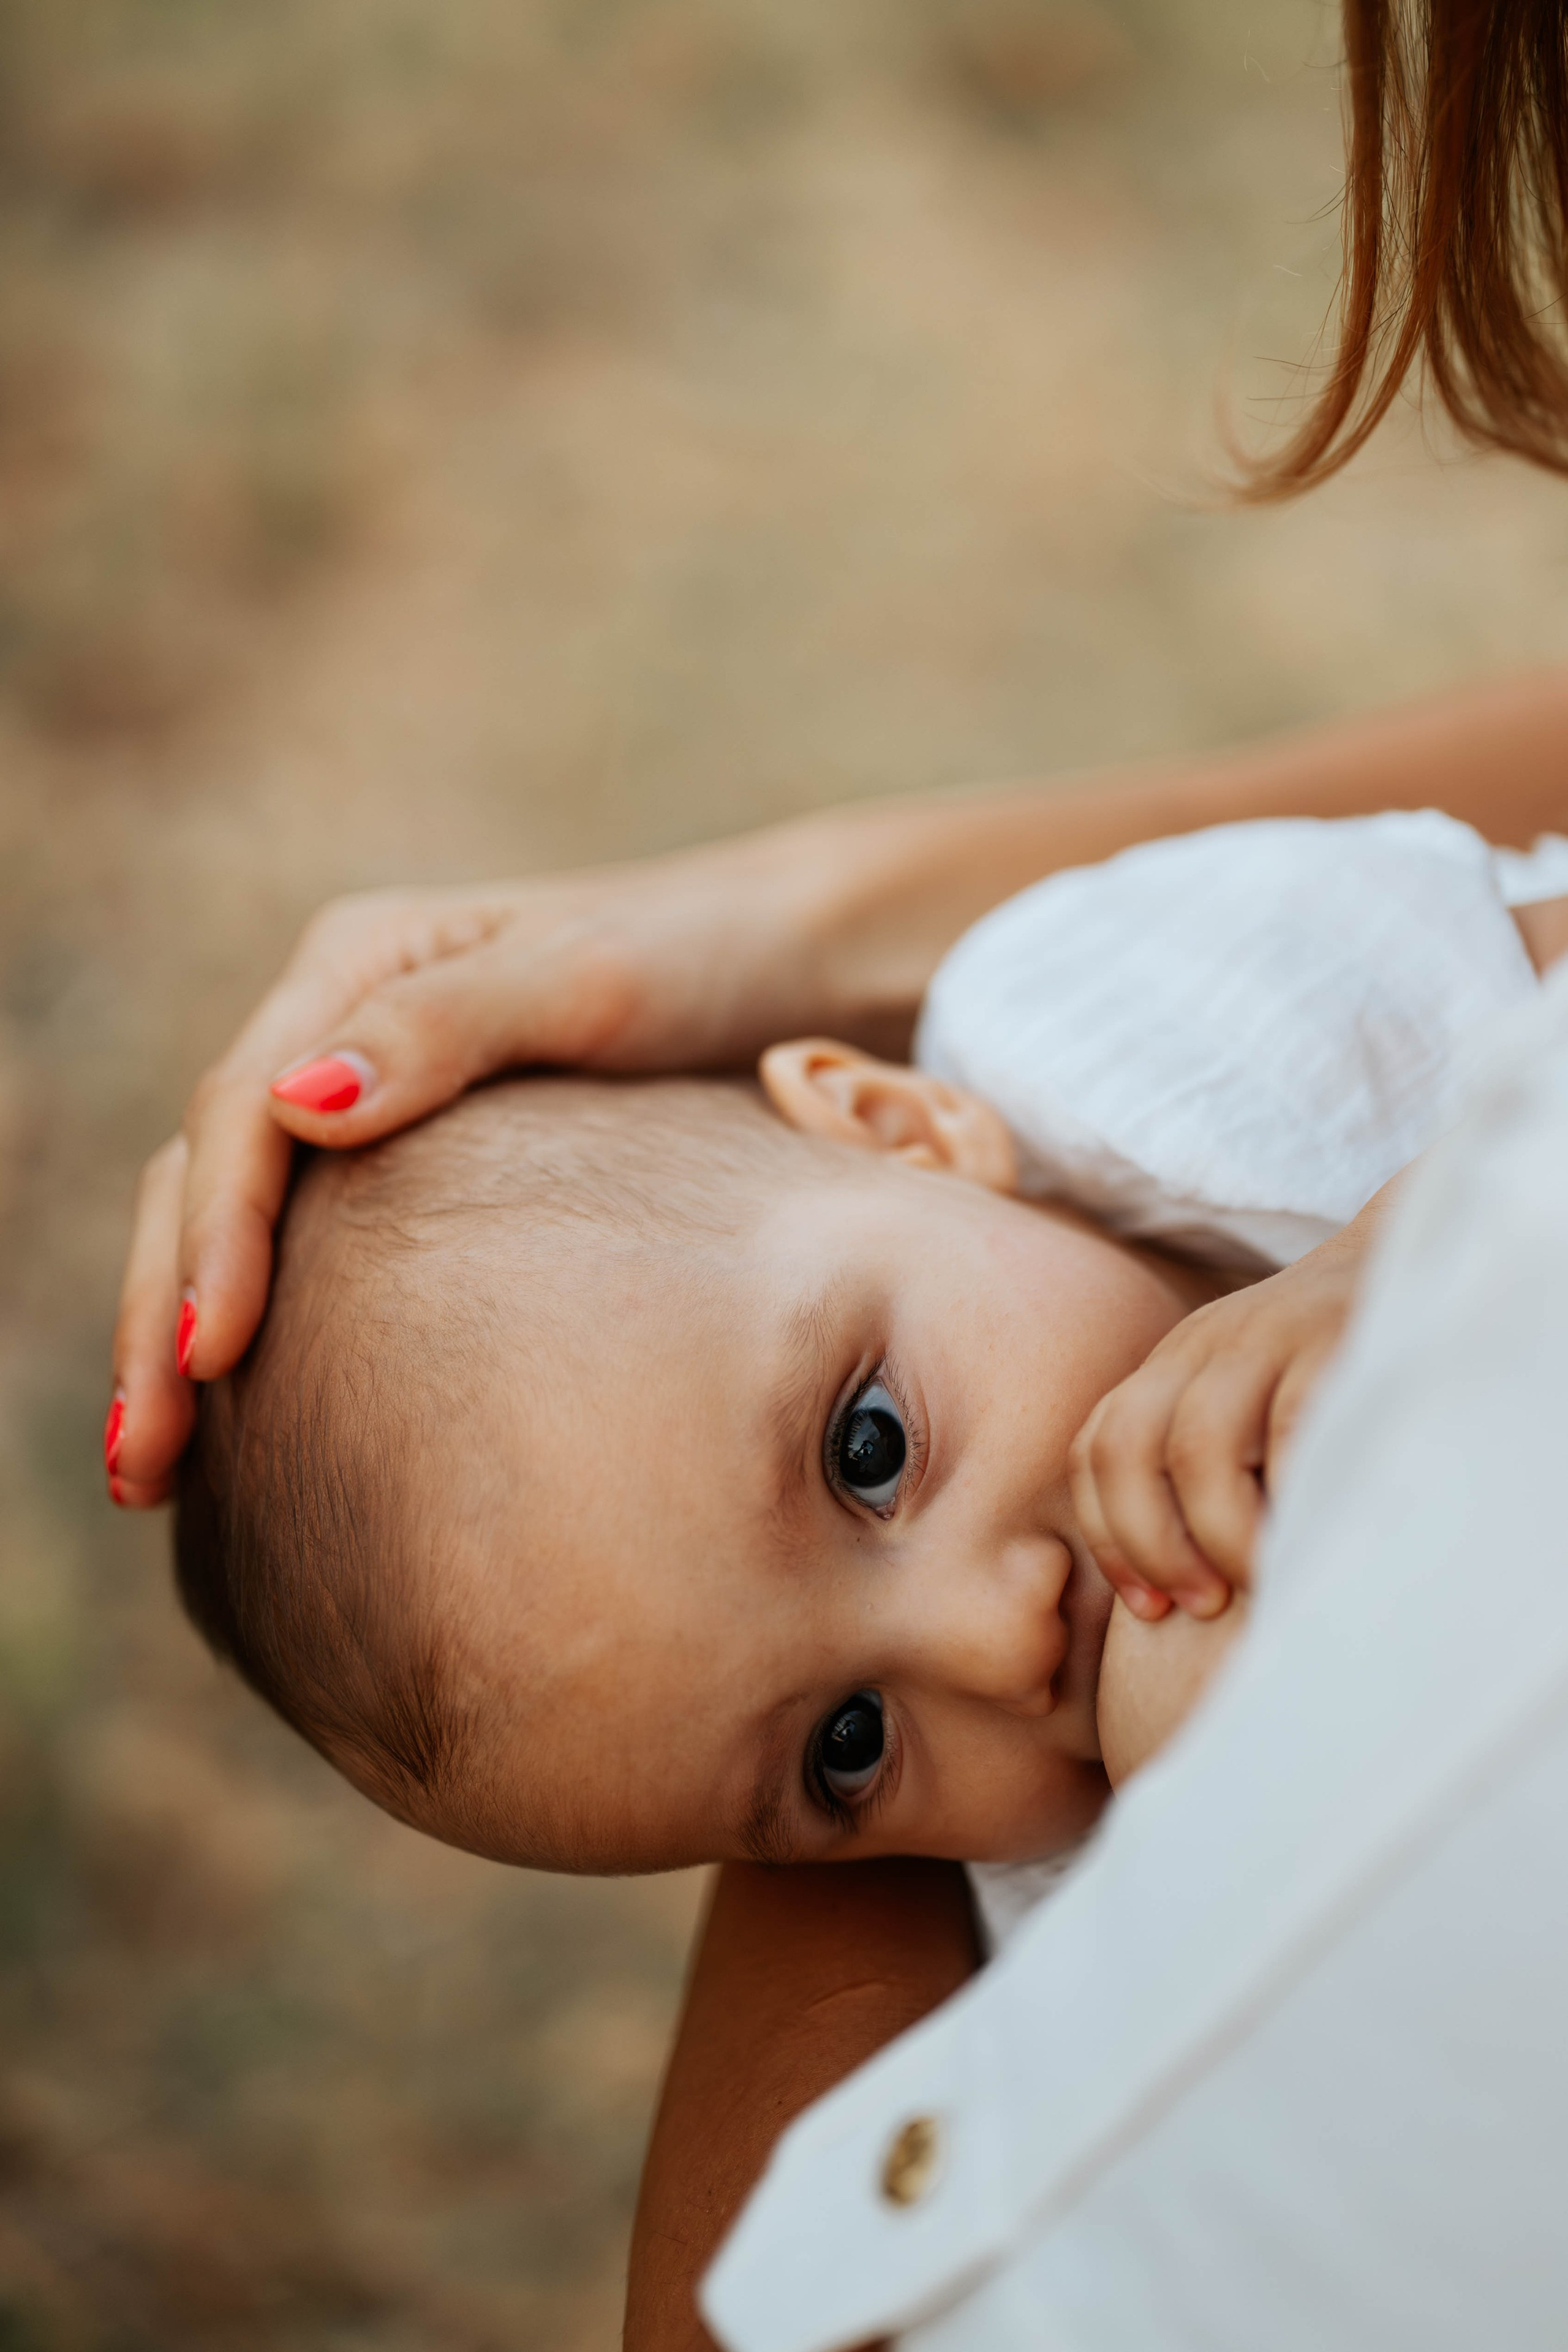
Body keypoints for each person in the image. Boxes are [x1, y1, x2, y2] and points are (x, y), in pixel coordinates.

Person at [104, 0, 1568, 2335]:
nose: (993, 1641)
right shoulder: (1059, 1859)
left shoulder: (1170, 1054)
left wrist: (1442, 1233)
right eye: (845, 1755)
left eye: (870, 1447)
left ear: (900, 1118)